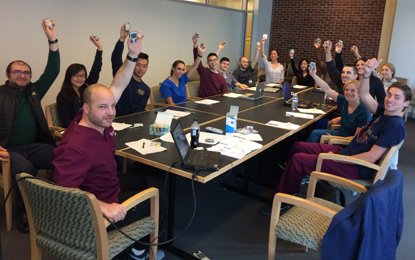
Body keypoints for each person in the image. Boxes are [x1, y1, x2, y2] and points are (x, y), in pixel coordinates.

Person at [53, 33, 164, 260]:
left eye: (112, 105)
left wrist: (132, 56)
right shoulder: (75, 145)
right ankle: (137, 252)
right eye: (103, 106)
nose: (111, 112)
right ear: (85, 108)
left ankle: (135, 243)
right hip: (97, 208)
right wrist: (104, 207)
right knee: (156, 205)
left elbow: (119, 83)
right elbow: (64, 193)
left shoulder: (96, 121)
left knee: (146, 180)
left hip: (108, 184)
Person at [259, 58, 410, 216]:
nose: (390, 99)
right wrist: (367, 74)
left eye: (397, 98)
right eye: (389, 95)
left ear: (406, 104)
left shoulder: (394, 126)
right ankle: (292, 184)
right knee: (298, 146)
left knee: (298, 159)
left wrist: (337, 158)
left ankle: (282, 200)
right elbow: (364, 93)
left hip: (354, 166)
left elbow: (371, 157)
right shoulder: (383, 113)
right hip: (346, 153)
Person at [0, 18, 60, 233]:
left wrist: (52, 40)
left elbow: (53, 71)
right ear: (8, 75)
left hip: (34, 146)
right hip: (9, 150)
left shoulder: (34, 91)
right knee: (25, 170)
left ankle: (55, 201)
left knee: (63, 157)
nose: (22, 75)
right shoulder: (0, 94)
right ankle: (24, 212)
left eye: (26, 72)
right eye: (17, 71)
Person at [307, 70, 372, 142]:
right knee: (314, 133)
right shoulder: (345, 100)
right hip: (340, 133)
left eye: (353, 90)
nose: (349, 92)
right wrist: (314, 75)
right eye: (346, 90)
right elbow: (327, 89)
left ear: (359, 92)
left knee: (314, 134)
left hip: (346, 142)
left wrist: (334, 139)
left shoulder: (364, 112)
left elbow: (357, 139)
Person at [57, 35, 103, 127]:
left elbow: (96, 70)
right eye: (75, 75)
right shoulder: (63, 96)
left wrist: (99, 49)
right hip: (75, 130)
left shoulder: (86, 87)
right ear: (69, 77)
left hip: (90, 126)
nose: (79, 79)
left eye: (82, 76)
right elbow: (66, 122)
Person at [326, 40, 386, 105]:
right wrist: (336, 53)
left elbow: (382, 101)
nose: (360, 67)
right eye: (357, 65)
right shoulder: (350, 80)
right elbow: (336, 69)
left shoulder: (375, 81)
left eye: (363, 65)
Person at [111, 23, 150, 116]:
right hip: (113, 120)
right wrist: (122, 39)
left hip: (132, 124)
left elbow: (138, 113)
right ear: (133, 64)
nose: (141, 69)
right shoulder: (122, 78)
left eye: (144, 66)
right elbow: (115, 58)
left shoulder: (146, 89)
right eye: (138, 65)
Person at [159, 36, 205, 105]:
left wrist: (200, 54)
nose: (181, 72)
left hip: (185, 109)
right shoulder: (165, 85)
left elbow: (195, 66)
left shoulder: (183, 78)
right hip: (174, 111)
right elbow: (171, 104)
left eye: (183, 70)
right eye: (179, 69)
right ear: (173, 68)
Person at [192, 33, 227, 98]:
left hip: (216, 104)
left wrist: (219, 49)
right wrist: (195, 44)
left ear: (218, 61)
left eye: (215, 60)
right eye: (210, 61)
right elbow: (197, 59)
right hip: (203, 103)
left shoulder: (222, 78)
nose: (213, 62)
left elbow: (224, 96)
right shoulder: (204, 72)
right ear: (207, 62)